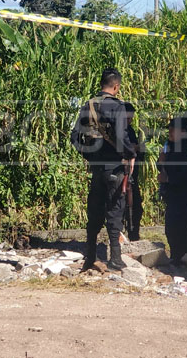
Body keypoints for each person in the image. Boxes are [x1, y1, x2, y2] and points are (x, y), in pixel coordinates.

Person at [70, 68, 137, 272]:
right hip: (115, 167)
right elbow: (120, 136)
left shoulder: (87, 105)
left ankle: (90, 256)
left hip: (97, 168)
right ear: (116, 86)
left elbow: (74, 137)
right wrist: (130, 154)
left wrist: (88, 155)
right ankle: (115, 259)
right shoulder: (118, 107)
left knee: (95, 211)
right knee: (115, 211)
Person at [157, 117, 187, 265]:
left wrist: (168, 179)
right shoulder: (170, 146)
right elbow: (162, 165)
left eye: (172, 130)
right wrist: (160, 162)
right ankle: (176, 255)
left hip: (184, 193)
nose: (170, 133)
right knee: (171, 226)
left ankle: (182, 257)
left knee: (179, 226)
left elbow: (186, 173)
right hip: (172, 193)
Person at [123, 102, 144, 242]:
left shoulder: (129, 130)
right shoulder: (119, 131)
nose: (129, 120)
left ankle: (133, 235)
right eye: (127, 118)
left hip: (131, 177)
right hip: (122, 176)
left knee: (136, 209)